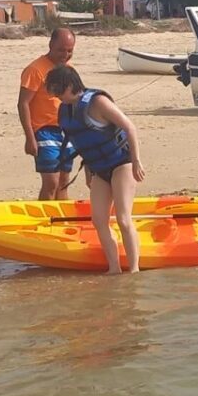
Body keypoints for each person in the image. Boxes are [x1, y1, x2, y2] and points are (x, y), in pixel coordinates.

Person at [45, 65, 145, 274]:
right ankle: (114, 269)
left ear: (70, 84)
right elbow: (83, 143)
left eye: (57, 89)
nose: (55, 95)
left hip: (122, 164)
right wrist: (89, 172)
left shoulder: (98, 102)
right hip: (99, 169)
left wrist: (136, 161)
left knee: (123, 219)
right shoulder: (65, 109)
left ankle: (134, 271)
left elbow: (129, 127)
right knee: (99, 220)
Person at [17, 28, 76, 200]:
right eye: (61, 50)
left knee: (64, 180)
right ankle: (46, 220)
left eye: (69, 50)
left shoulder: (69, 70)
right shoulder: (35, 69)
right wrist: (30, 137)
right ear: (51, 45)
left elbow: (75, 101)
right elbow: (23, 103)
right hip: (44, 130)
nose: (65, 54)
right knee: (51, 182)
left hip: (66, 130)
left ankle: (62, 221)